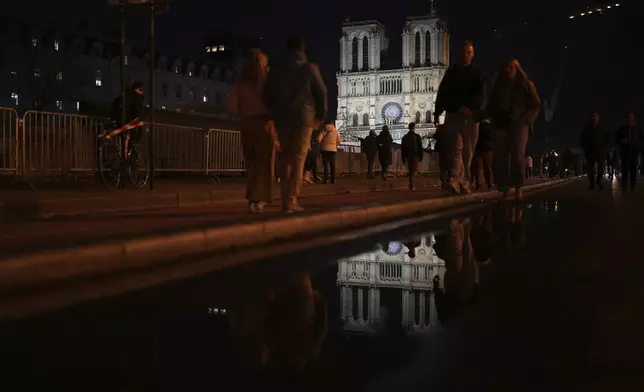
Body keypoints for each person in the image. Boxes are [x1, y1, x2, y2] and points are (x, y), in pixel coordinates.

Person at [263, 36, 328, 213]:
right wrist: (319, 117)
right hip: (303, 119)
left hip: (282, 119)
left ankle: (284, 199)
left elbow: (267, 94)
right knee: (298, 159)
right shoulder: (310, 68)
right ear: (302, 49)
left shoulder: (276, 70)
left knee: (284, 159)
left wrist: (273, 112)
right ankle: (291, 200)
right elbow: (322, 93)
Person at [434, 40, 486, 194]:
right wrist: (437, 112)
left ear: (473, 54)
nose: (466, 55)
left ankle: (465, 181)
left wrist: (470, 107)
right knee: (456, 148)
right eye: (464, 52)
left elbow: (481, 95)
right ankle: (456, 179)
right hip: (453, 115)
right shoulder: (450, 73)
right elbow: (442, 93)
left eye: (468, 52)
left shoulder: (477, 73)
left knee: (468, 151)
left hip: (469, 117)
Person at [228, 49, 276, 213]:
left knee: (252, 163)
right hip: (264, 124)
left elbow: (233, 108)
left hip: (247, 123)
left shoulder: (240, 82)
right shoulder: (268, 80)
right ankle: (259, 198)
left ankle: (253, 198)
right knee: (264, 164)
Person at [485, 58, 541, 201]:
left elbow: (535, 104)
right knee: (500, 157)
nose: (509, 70)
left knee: (518, 156)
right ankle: (504, 189)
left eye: (512, 67)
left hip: (519, 124)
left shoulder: (525, 85)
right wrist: (477, 116)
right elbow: (490, 106)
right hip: (500, 123)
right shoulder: (498, 87)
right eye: (507, 67)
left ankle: (518, 189)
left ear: (517, 69)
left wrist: (526, 120)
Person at [614, 111, 644, 192]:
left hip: (634, 153)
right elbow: (616, 138)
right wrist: (622, 142)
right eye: (628, 117)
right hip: (625, 153)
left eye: (631, 117)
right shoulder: (622, 128)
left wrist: (638, 147)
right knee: (625, 171)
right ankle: (624, 188)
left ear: (633, 118)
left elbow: (642, 140)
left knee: (633, 171)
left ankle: (632, 187)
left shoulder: (638, 129)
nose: (629, 119)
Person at [579, 110, 609, 190]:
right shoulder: (586, 128)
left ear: (598, 118)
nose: (594, 118)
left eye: (595, 116)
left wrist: (604, 147)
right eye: (593, 116)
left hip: (600, 151)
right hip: (590, 151)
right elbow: (582, 139)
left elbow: (607, 138)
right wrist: (585, 148)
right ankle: (592, 184)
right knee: (590, 170)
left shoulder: (602, 128)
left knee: (601, 168)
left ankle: (598, 181)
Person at [471, 119, 494, 191]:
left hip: (479, 147)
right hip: (487, 148)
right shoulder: (490, 125)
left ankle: (479, 184)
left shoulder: (477, 124)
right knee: (487, 167)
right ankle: (488, 184)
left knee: (479, 167)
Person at [401, 122, 424, 191]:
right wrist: (421, 156)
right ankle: (412, 183)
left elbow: (403, 148)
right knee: (414, 170)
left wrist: (403, 157)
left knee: (411, 169)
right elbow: (420, 147)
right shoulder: (417, 136)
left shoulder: (405, 137)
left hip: (408, 156)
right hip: (415, 155)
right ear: (414, 128)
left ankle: (411, 182)